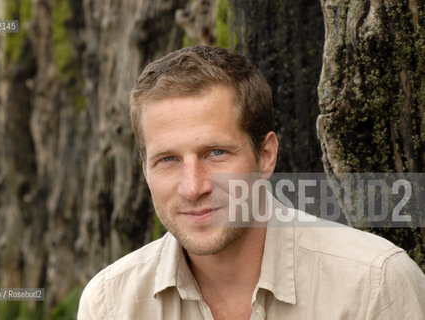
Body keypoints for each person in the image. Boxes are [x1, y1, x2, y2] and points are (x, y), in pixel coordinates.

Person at [78, 46, 425, 319]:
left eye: (216, 152)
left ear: (266, 156)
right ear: (144, 170)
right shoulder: (110, 305)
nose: (193, 187)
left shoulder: (373, 285)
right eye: (167, 160)